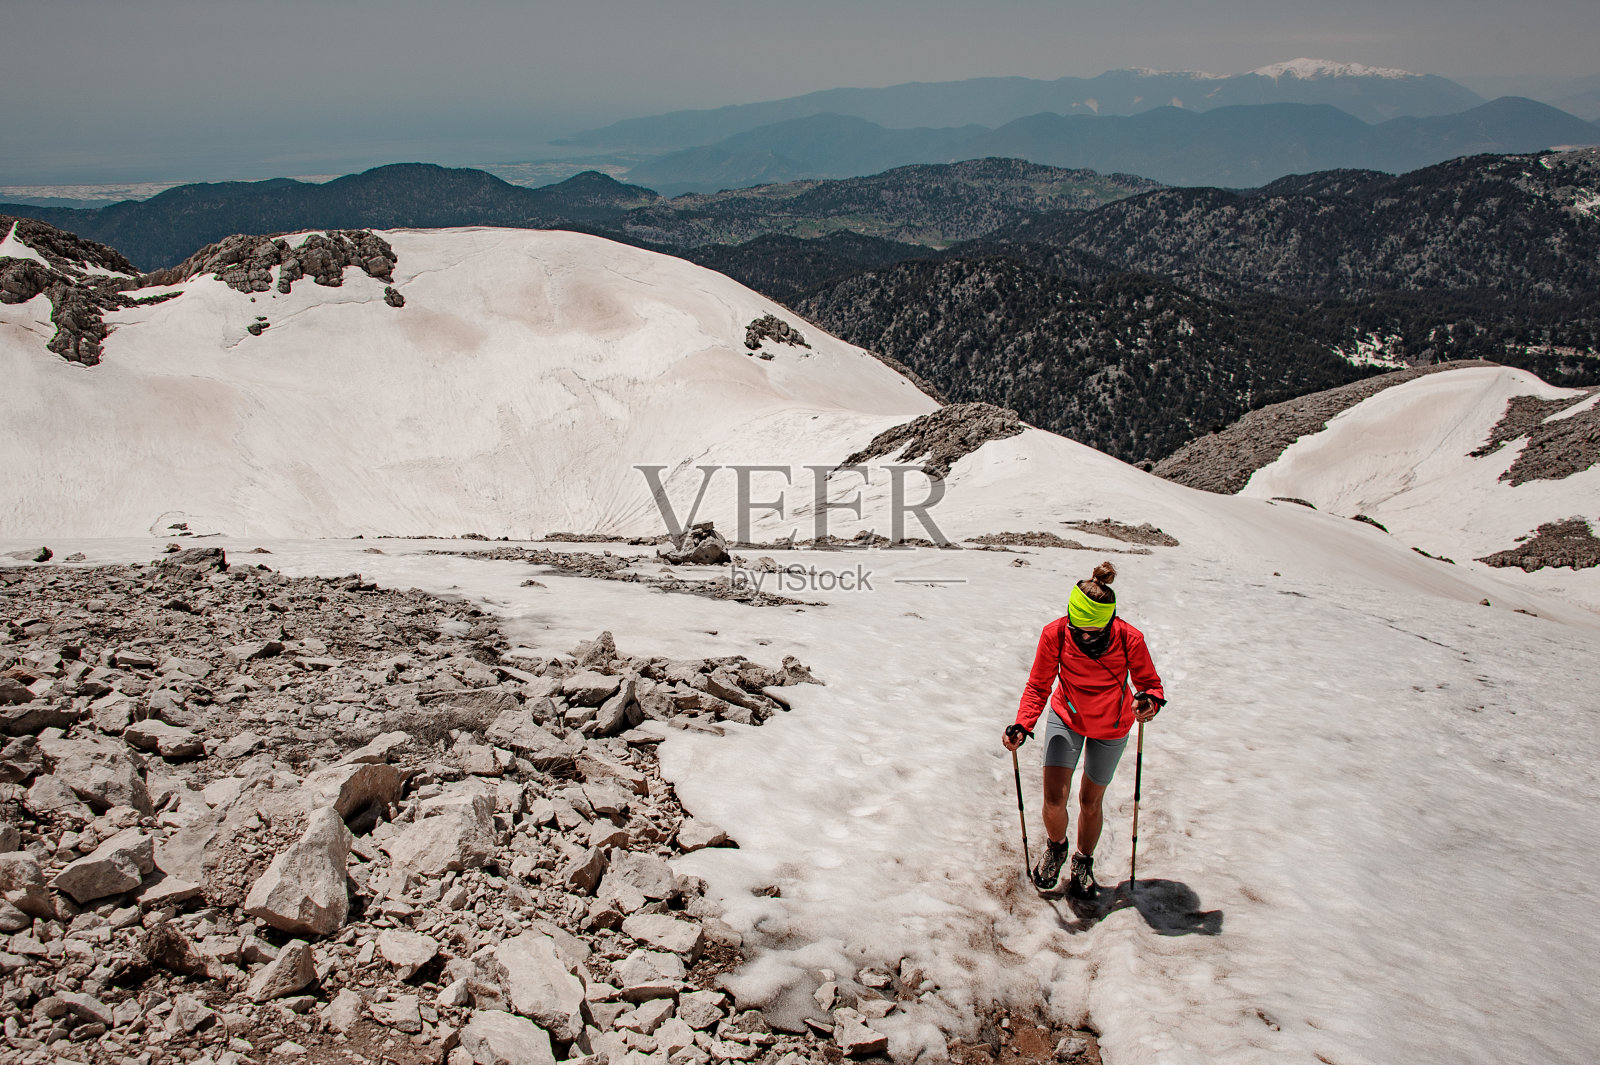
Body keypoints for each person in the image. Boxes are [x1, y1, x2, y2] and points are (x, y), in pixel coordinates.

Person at [1003, 561, 1165, 897]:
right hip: (1067, 716)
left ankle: (1082, 861)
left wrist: (1149, 703)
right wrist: (1023, 723)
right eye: (1079, 630)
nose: (1085, 636)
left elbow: (1150, 684)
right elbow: (1038, 685)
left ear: (1109, 622)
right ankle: (1056, 848)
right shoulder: (1056, 633)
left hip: (1112, 725)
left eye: (1094, 631)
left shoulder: (1130, 639)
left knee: (1090, 801)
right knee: (1053, 799)